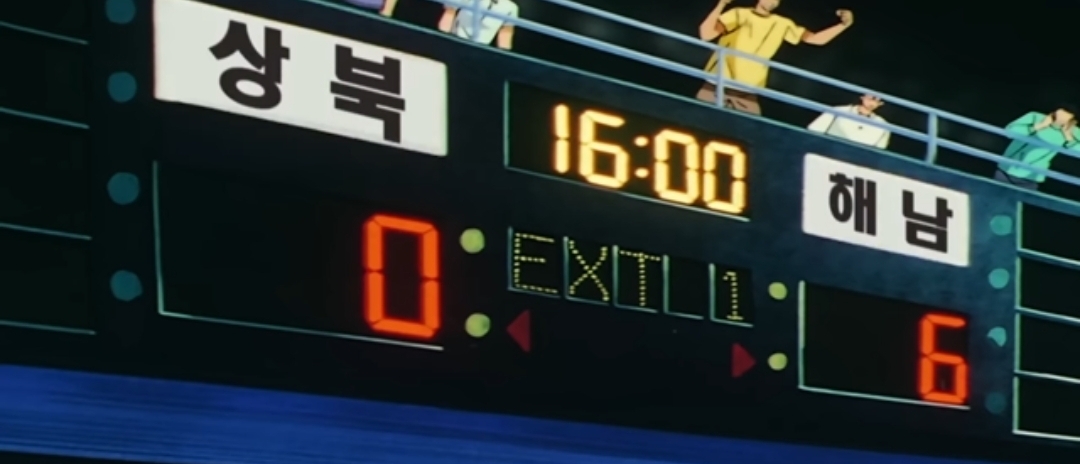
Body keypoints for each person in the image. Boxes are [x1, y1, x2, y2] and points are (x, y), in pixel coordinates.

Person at [696, 0, 854, 115]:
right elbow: (706, 34)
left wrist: (843, 25)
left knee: (747, 133)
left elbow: (816, 40)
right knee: (700, 121)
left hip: (748, 92)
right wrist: (721, 4)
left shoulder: (783, 23)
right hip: (716, 83)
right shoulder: (739, 13)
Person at [996, 106, 1080, 190]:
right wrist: (1039, 126)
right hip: (1006, 169)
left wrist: (1069, 138)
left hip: (1032, 177)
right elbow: (1009, 131)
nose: (1061, 117)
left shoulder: (1075, 132)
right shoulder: (1035, 117)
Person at [807, 94, 890, 148]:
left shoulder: (883, 125)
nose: (872, 101)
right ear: (862, 97)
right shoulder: (838, 111)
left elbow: (879, 150)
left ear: (880, 104)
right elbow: (814, 130)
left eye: (877, 100)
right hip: (828, 150)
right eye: (871, 98)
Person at [438, 0, 518, 50]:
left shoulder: (511, 8)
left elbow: (505, 37)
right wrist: (443, 40)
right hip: (455, 41)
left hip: (480, 51)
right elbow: (449, 14)